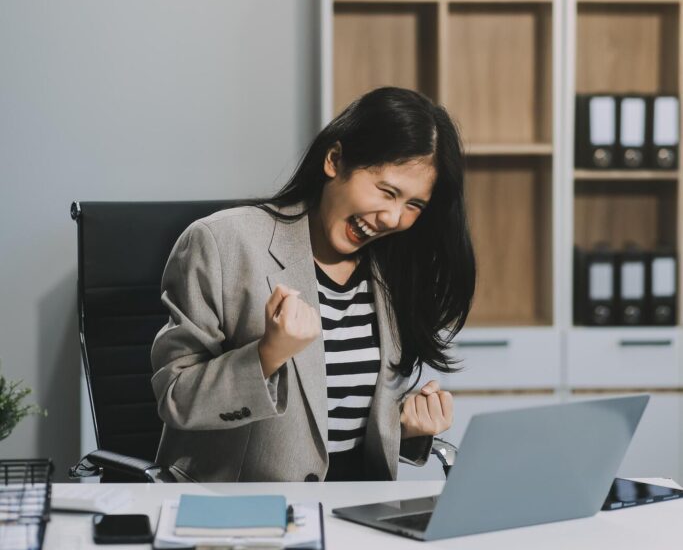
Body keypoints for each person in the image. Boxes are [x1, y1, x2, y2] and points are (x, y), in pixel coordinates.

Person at [150, 86, 476, 482]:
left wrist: (406, 429)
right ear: (335, 160)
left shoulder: (394, 273)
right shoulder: (222, 243)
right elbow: (175, 397)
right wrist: (267, 354)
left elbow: (337, 422)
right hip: (251, 516)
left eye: (412, 205)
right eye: (387, 191)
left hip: (357, 510)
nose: (392, 218)